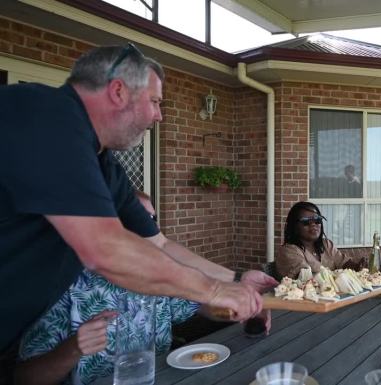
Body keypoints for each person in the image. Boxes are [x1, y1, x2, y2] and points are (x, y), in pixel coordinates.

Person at [0, 43, 276, 357]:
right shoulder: (45, 115)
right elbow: (104, 249)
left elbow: (160, 244)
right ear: (118, 91)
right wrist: (212, 290)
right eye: (155, 101)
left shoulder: (103, 164)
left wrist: (236, 279)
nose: (159, 116)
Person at [14, 192, 239, 385]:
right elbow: (25, 378)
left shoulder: (160, 277)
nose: (149, 227)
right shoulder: (65, 285)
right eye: (140, 219)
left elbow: (202, 307)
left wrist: (240, 308)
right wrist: (72, 349)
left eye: (152, 219)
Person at [276, 201, 366, 279]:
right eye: (306, 222)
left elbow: (344, 263)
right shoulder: (288, 251)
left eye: (317, 220)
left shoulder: (326, 244)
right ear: (294, 227)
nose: (313, 225)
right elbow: (306, 277)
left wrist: (357, 266)